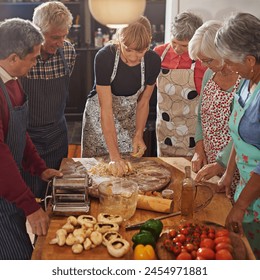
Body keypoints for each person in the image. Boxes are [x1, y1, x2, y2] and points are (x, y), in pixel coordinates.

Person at [0, 18, 62, 260]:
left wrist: (39, 168)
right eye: (33, 58)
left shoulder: (13, 82)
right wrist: (30, 206)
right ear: (14, 58)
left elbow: (18, 130)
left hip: (9, 188)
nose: (36, 64)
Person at [81, 16, 161, 177]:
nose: (132, 57)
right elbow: (106, 109)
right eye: (127, 49)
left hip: (128, 117)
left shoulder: (153, 61)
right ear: (119, 40)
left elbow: (143, 102)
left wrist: (139, 133)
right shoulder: (105, 57)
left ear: (149, 43)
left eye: (140, 51)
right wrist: (114, 155)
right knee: (96, 172)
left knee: (126, 173)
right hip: (100, 117)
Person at [20, 1, 76, 199]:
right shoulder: (20, 56)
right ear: (37, 31)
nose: (60, 42)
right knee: (29, 194)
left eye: (64, 36)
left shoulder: (68, 53)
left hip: (56, 135)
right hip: (25, 136)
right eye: (54, 37)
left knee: (54, 193)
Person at [215, 12, 260, 259]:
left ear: (250, 59)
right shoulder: (246, 81)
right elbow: (239, 137)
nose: (226, 67)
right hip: (247, 189)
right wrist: (227, 173)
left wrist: (241, 206)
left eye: (231, 61)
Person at [188, 20, 243, 203]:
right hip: (211, 162)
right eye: (202, 61)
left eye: (208, 60)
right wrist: (199, 150)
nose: (204, 65)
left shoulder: (244, 80)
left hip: (235, 166)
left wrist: (221, 164)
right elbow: (201, 116)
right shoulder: (209, 74)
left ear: (221, 52)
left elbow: (240, 131)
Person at [154, 12, 206, 157]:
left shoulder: (203, 60)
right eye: (174, 42)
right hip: (165, 129)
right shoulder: (158, 54)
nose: (177, 49)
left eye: (183, 45)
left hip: (192, 133)